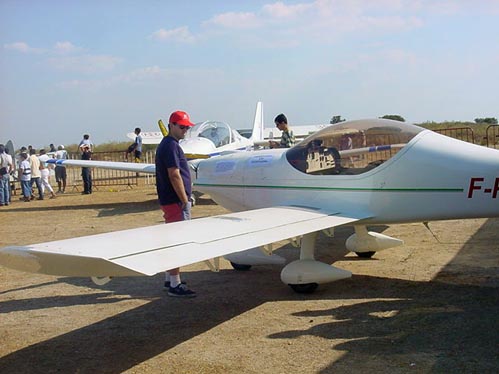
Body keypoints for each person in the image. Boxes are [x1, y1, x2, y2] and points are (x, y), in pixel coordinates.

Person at [155, 110, 196, 298]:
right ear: (171, 126)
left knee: (172, 239)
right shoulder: (170, 146)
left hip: (172, 201)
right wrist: (184, 200)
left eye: (187, 127)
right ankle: (174, 283)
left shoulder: (169, 145)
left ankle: (168, 277)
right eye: (181, 127)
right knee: (176, 242)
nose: (185, 130)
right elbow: (174, 174)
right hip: (175, 202)